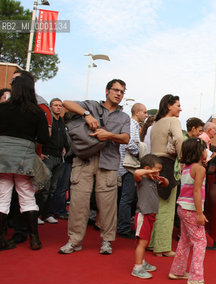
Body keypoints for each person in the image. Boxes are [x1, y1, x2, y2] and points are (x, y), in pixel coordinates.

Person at [58, 79, 130, 255]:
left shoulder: (124, 117)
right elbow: (66, 103)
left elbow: (126, 138)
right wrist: (86, 114)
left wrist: (109, 135)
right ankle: (74, 241)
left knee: (107, 205)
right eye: (116, 90)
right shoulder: (91, 105)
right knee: (78, 202)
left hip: (108, 162)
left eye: (122, 91)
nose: (119, 94)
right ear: (107, 91)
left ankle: (106, 241)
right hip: (84, 159)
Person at [0, 70, 49, 251]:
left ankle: (1, 239)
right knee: (27, 197)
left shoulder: (2, 108)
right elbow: (44, 138)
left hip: (2, 158)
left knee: (2, 198)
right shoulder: (36, 112)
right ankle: (34, 239)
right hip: (24, 159)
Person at [169, 138, 210, 284]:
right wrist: (200, 213)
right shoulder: (199, 169)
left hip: (182, 208)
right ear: (199, 152)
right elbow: (197, 191)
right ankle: (196, 278)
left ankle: (177, 270)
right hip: (192, 210)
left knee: (185, 241)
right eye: (205, 148)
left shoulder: (186, 168)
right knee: (200, 242)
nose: (207, 151)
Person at [149, 94, 184, 257]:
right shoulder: (173, 121)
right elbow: (179, 138)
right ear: (169, 106)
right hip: (167, 165)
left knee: (155, 207)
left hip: (153, 164)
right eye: (178, 105)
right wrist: (183, 158)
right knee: (167, 208)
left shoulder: (155, 124)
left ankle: (152, 243)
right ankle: (162, 247)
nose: (180, 108)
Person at [131, 154, 169, 279]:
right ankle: (137, 268)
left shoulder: (153, 180)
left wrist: (163, 179)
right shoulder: (142, 179)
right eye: (156, 170)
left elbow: (166, 184)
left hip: (151, 214)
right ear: (147, 168)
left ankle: (142, 262)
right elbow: (136, 172)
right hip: (143, 213)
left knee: (145, 242)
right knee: (142, 243)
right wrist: (149, 172)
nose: (157, 173)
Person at [36, 98, 69, 224]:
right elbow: (40, 136)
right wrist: (40, 153)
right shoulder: (47, 121)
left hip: (58, 159)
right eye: (56, 105)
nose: (58, 108)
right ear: (50, 107)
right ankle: (38, 215)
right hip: (48, 157)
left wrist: (65, 147)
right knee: (44, 188)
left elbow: (64, 138)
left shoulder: (61, 122)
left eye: (60, 106)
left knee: (53, 189)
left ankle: (47, 214)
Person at [117, 103, 148, 239]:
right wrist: (139, 153)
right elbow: (130, 143)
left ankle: (122, 225)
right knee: (127, 198)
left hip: (126, 165)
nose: (146, 115)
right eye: (144, 112)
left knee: (126, 197)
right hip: (127, 166)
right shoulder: (132, 124)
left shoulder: (133, 125)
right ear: (137, 112)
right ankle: (123, 227)